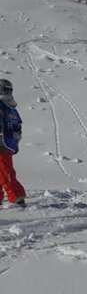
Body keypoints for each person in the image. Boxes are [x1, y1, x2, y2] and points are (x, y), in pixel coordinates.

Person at [0, 79, 25, 207]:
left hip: (3, 145)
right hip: (6, 144)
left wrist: (15, 137)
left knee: (5, 172)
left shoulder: (7, 107)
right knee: (3, 172)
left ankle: (17, 198)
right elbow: (17, 126)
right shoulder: (9, 106)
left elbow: (17, 125)